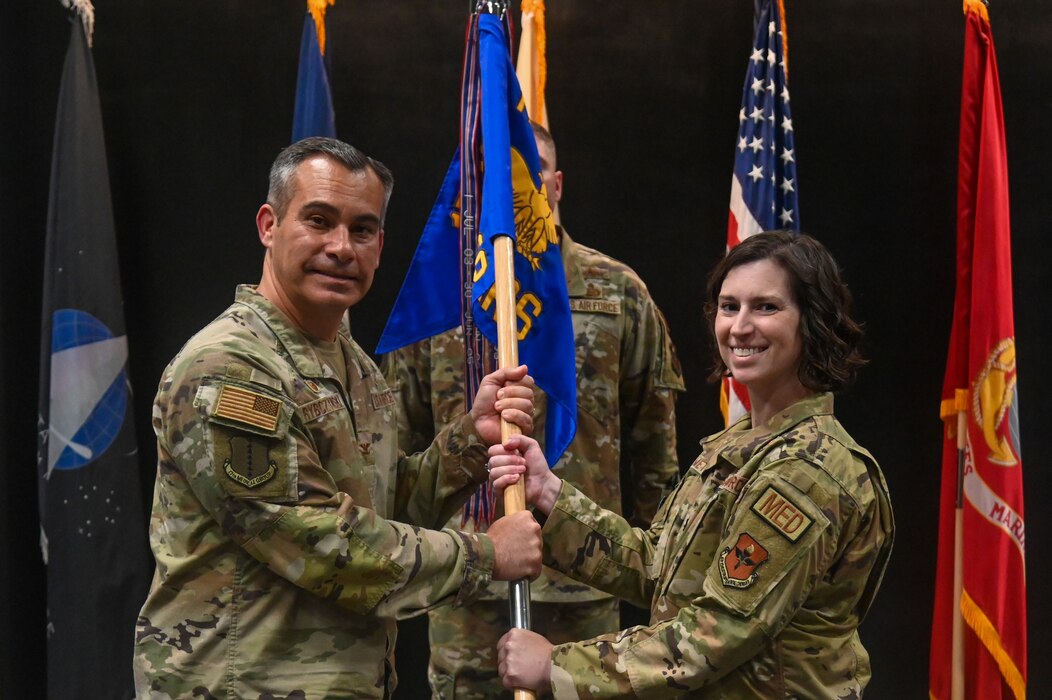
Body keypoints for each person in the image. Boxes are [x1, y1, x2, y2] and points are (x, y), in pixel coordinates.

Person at [132, 137, 544, 699]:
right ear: (268, 225)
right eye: (319, 221)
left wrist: (471, 442)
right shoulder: (230, 368)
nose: (341, 247)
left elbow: (379, 508)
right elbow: (322, 542)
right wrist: (486, 556)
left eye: (362, 229)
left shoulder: (351, 363)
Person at [488, 231, 895, 698]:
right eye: (729, 306)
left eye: (766, 307)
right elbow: (659, 570)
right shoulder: (739, 445)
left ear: (813, 322)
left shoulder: (807, 470)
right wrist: (550, 494)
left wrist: (558, 667)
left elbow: (717, 634)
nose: (740, 327)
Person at [382, 122, 686, 698]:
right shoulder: (441, 300)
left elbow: (657, 454)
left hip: (586, 583)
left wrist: (658, 586)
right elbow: (402, 447)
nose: (511, 190)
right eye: (495, 178)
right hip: (468, 581)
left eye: (529, 174)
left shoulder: (617, 293)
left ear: (557, 186)